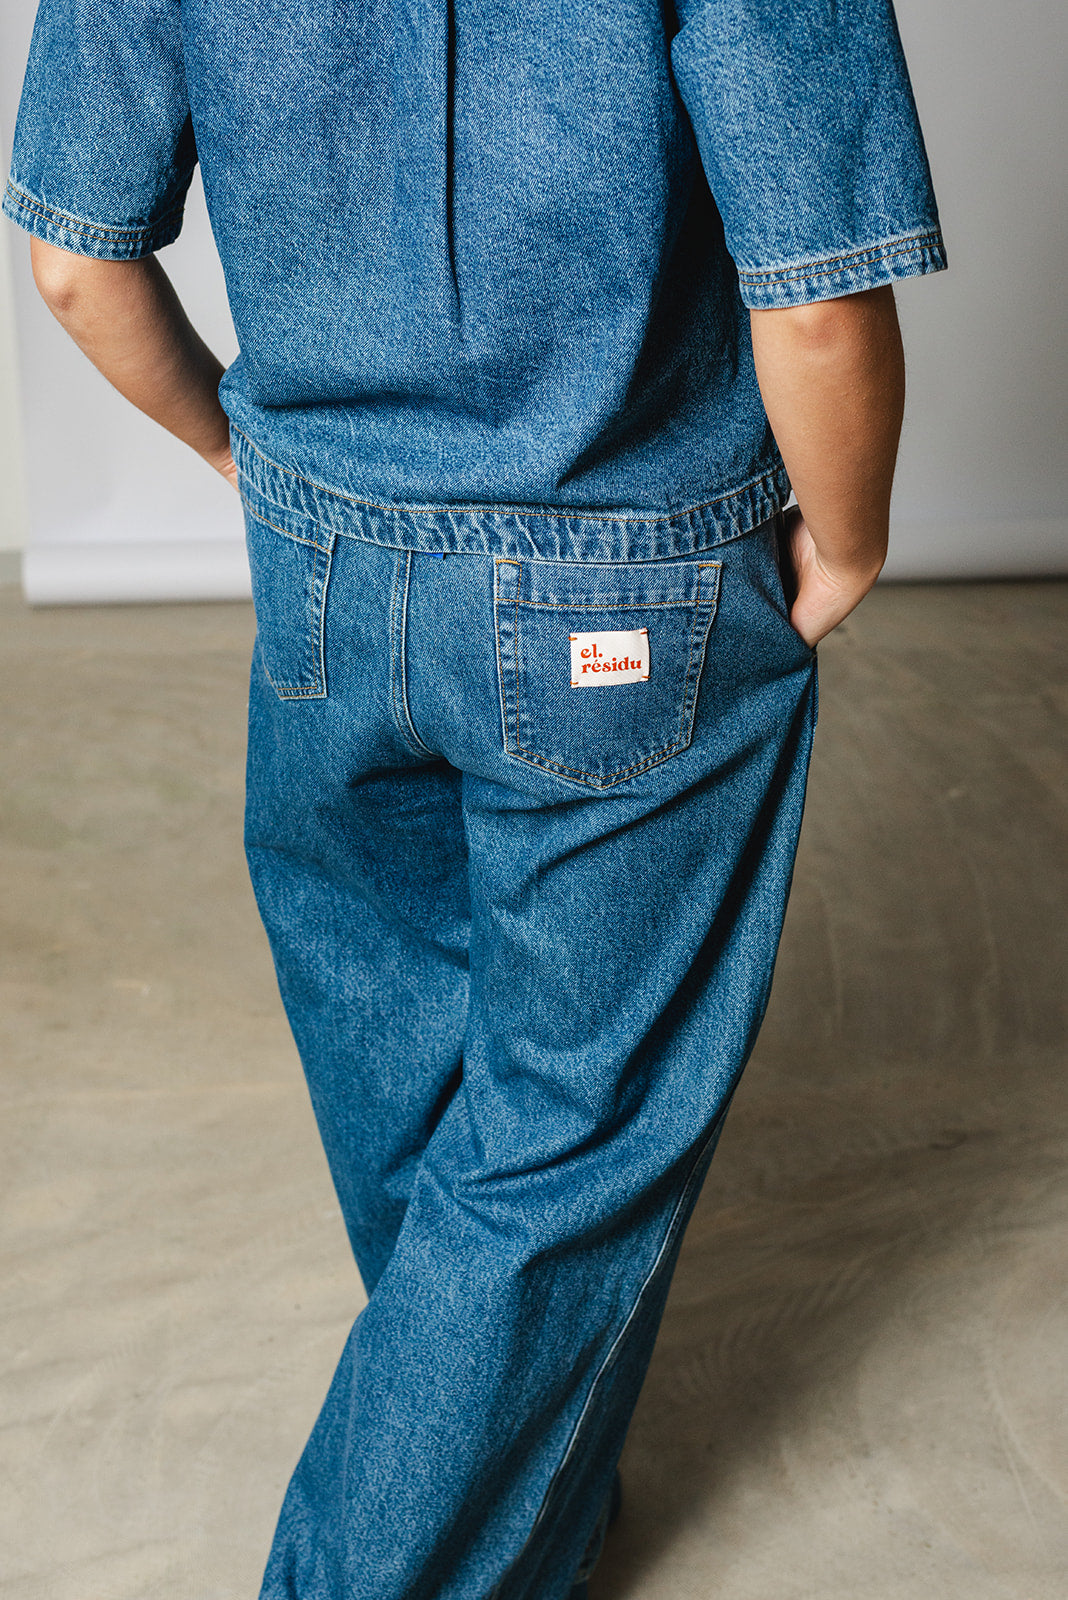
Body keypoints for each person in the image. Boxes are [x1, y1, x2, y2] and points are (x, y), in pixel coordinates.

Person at [4, 0, 946, 1594]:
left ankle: (520, 1510)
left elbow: (75, 266)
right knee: (563, 1144)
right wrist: (848, 543)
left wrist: (259, 471)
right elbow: (820, 302)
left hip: (328, 566)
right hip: (628, 578)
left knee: (406, 1067)